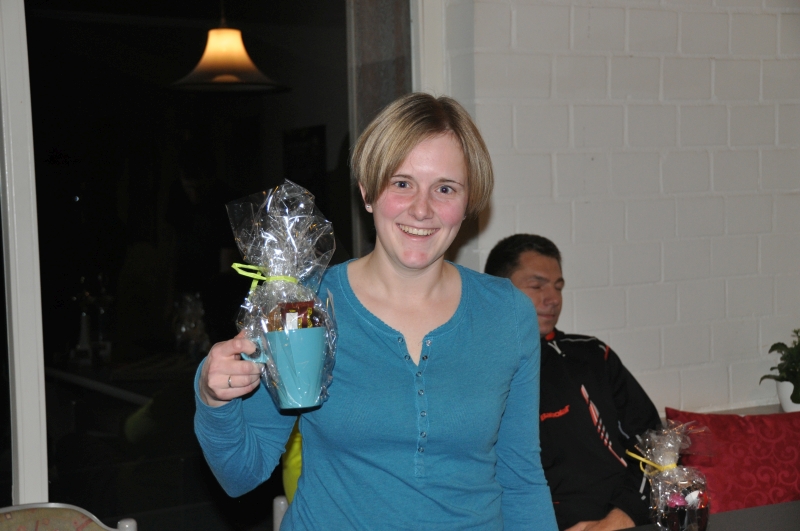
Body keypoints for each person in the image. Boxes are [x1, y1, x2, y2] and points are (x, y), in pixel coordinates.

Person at [194, 93, 558, 530]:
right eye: (402, 183)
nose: (421, 209)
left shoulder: (507, 313)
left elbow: (521, 478)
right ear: (367, 192)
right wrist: (213, 398)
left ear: (468, 202)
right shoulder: (302, 308)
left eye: (445, 188)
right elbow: (241, 473)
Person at [485, 234, 662, 531]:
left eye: (558, 286)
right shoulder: (476, 370)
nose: (553, 298)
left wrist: (620, 519)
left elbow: (655, 446)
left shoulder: (592, 356)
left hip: (625, 519)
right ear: (496, 290)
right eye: (537, 286)